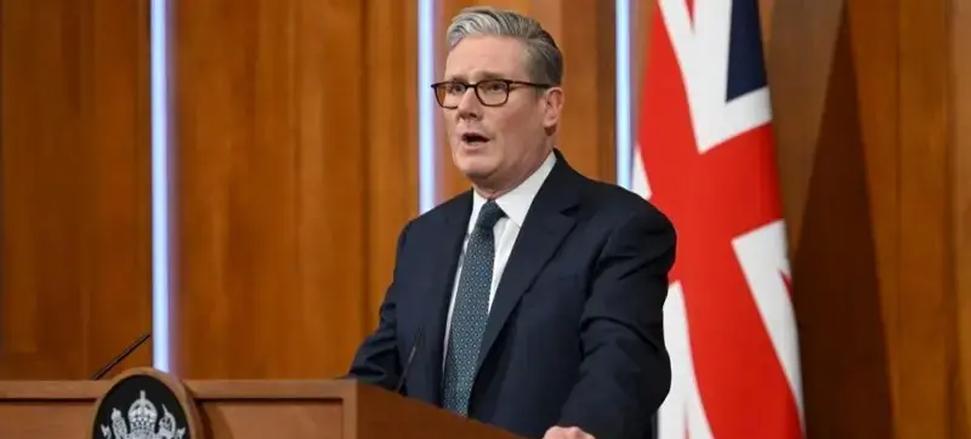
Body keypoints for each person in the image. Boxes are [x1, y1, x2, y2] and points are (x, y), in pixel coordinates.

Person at [347, 6, 676, 439]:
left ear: (549, 107)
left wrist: (584, 428)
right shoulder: (423, 240)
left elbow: (623, 359)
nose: (466, 108)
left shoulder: (619, 227)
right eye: (455, 88)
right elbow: (377, 379)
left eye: (493, 88)